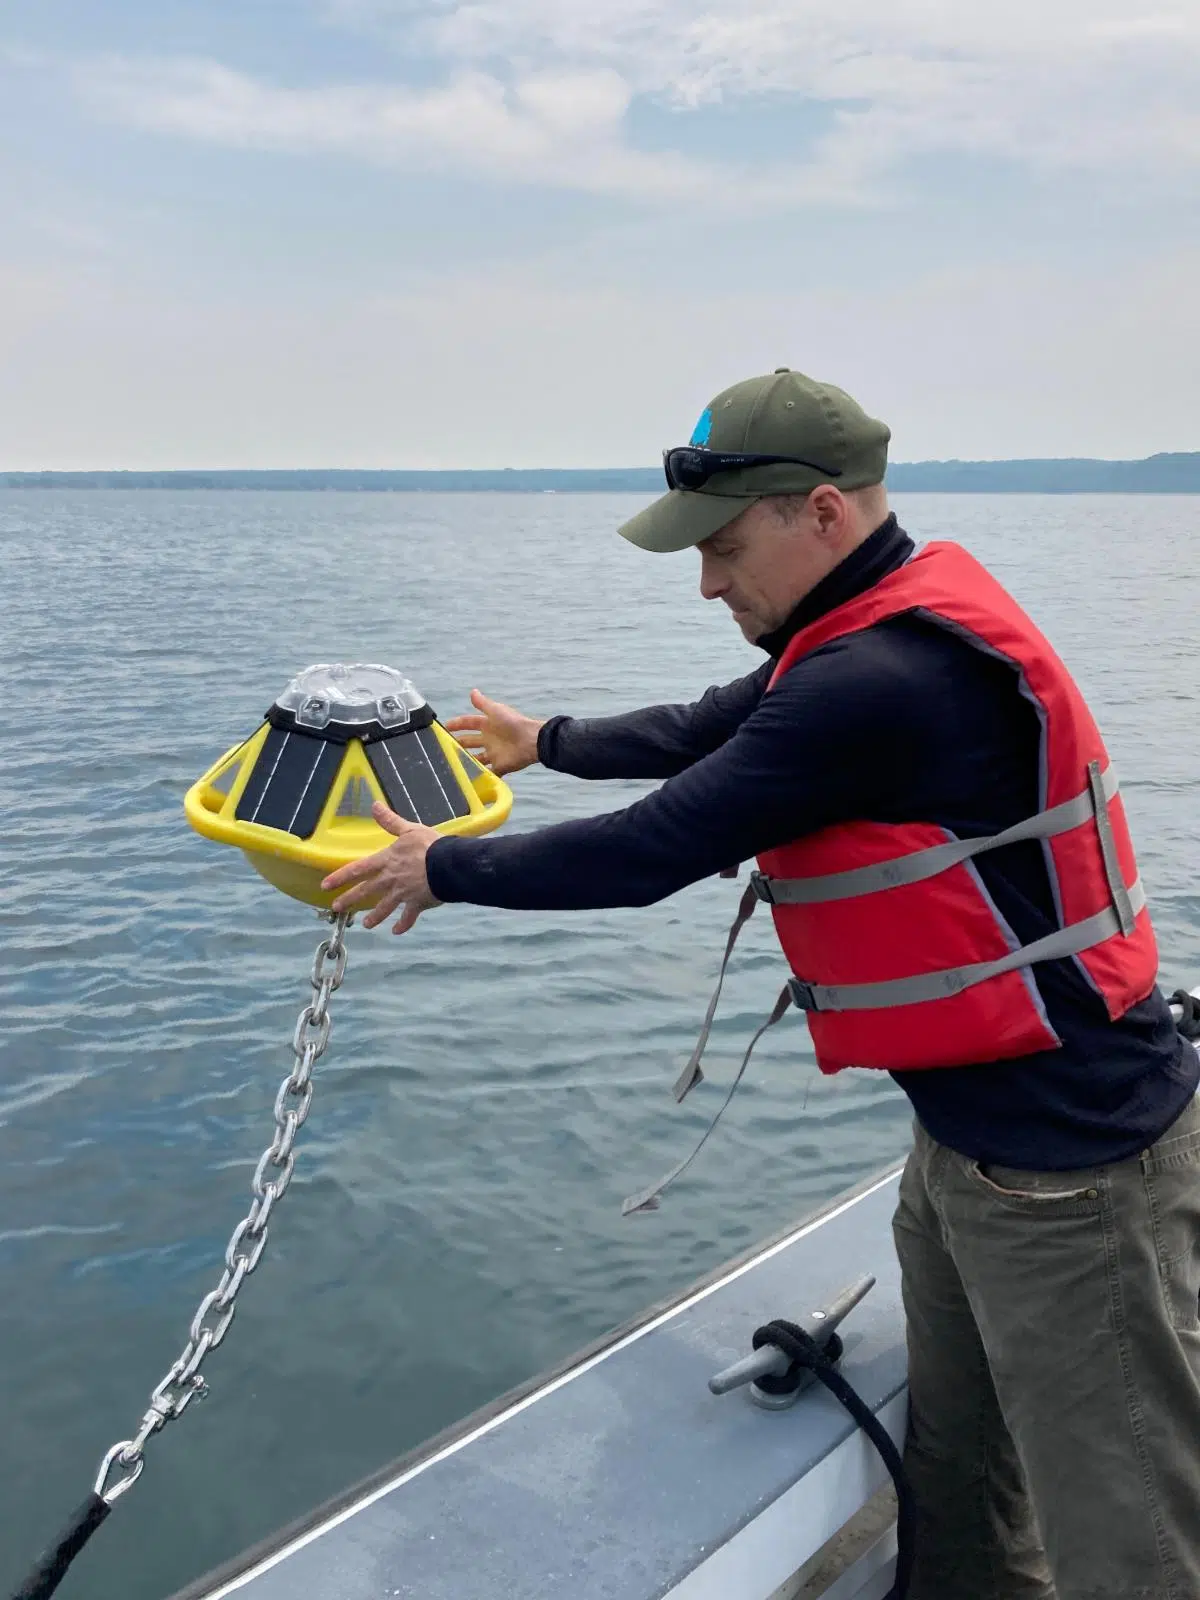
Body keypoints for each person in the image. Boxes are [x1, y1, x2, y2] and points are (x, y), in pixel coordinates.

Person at [322, 367, 1200, 1600]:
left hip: (1073, 1177)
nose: (708, 582)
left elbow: (653, 848)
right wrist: (551, 741)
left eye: (726, 548)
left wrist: (444, 868)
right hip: (970, 1150)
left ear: (823, 514)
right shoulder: (864, 625)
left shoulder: (877, 684)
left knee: (1132, 1536)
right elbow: (710, 723)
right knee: (956, 1471)